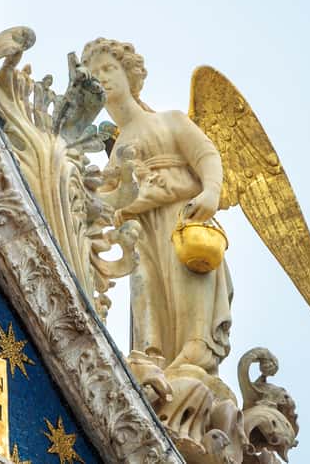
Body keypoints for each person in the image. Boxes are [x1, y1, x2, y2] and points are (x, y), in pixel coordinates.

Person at [81, 38, 231, 376]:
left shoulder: (169, 121)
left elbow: (205, 154)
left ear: (129, 74)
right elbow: (98, 203)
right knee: (148, 297)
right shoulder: (117, 151)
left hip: (182, 219)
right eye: (94, 73)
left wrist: (211, 191)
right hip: (141, 234)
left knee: (187, 289)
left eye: (109, 68)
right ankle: (155, 357)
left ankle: (195, 351)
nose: (102, 77)